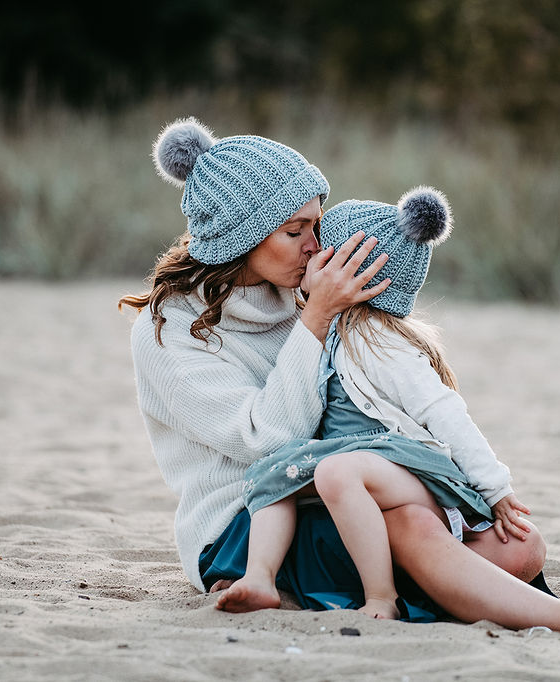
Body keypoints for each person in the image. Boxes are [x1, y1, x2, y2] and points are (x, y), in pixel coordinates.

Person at [122, 117, 560, 639]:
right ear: (243, 233)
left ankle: (446, 582)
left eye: (318, 224)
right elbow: (266, 443)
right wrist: (316, 319)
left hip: (342, 488)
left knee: (517, 547)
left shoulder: (299, 288)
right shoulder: (169, 331)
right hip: (249, 523)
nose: (316, 246)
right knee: (413, 526)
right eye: (296, 231)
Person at [220, 187, 533, 621]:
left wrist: (497, 490)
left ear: (351, 275)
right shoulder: (326, 328)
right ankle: (259, 576)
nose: (308, 254)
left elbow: (444, 413)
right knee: (274, 473)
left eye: (321, 253)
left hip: (403, 465)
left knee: (337, 471)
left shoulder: (378, 341)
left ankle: (381, 596)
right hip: (353, 460)